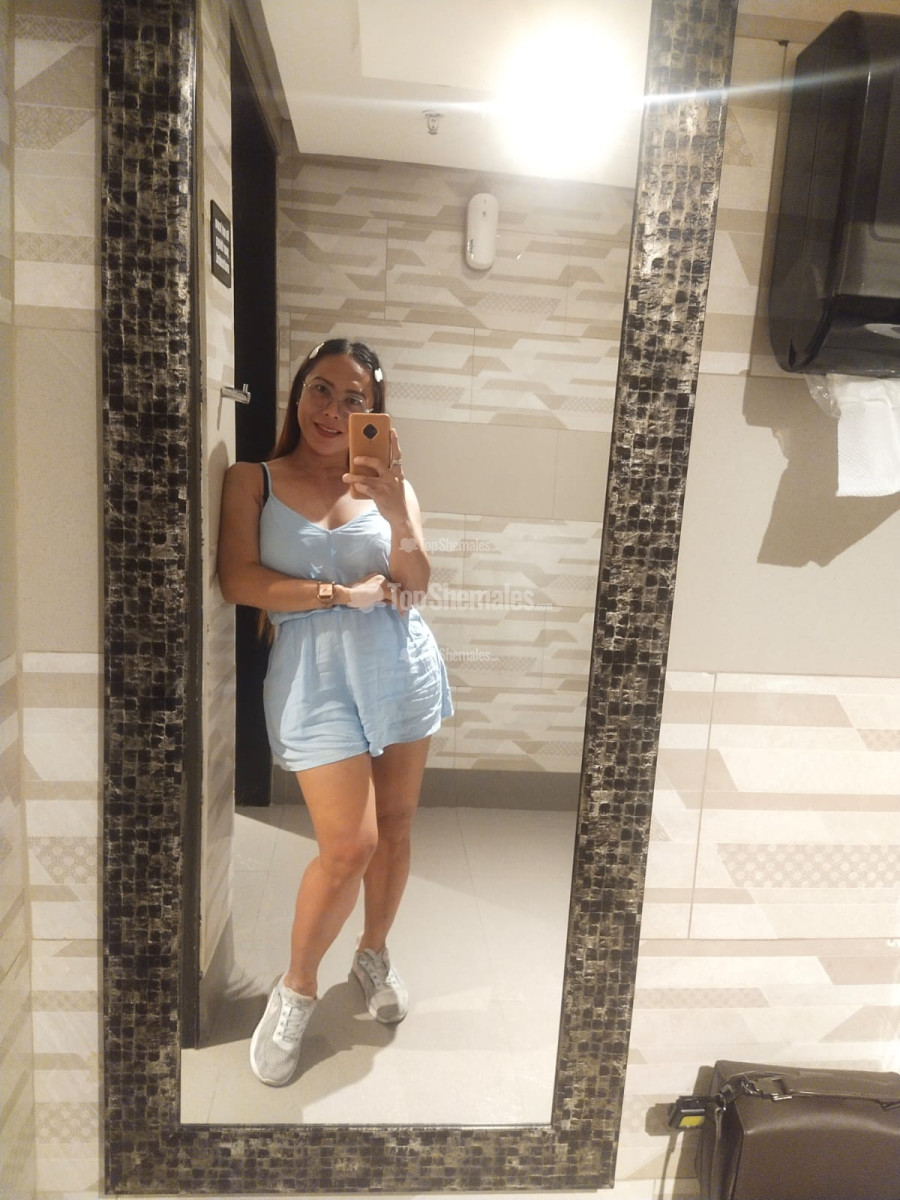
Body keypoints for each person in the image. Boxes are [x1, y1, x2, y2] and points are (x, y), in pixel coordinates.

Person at [217, 338, 452, 1087]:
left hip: (398, 665)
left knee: (397, 827)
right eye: (321, 389)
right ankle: (296, 989)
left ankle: (373, 953)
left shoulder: (391, 487)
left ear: (373, 413)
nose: (333, 410)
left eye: (355, 400)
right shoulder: (251, 479)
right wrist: (336, 595)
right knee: (349, 845)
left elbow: (415, 583)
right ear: (298, 393)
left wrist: (396, 507)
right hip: (312, 680)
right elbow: (237, 580)